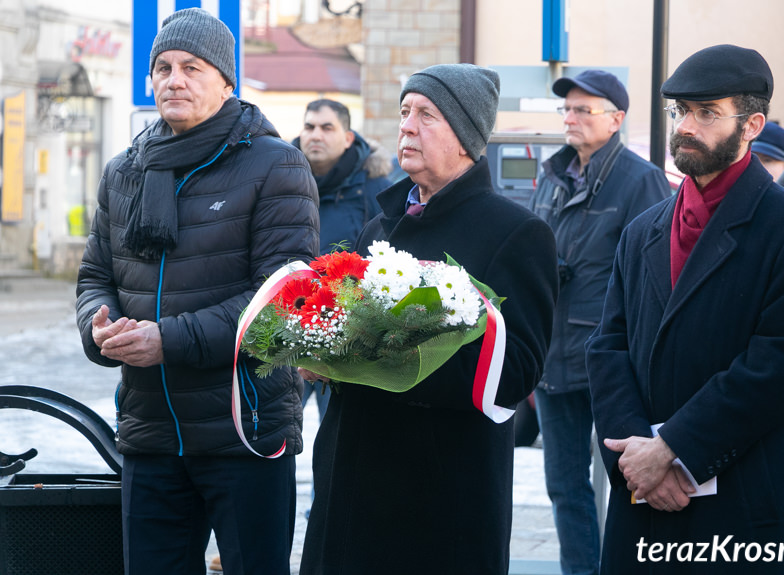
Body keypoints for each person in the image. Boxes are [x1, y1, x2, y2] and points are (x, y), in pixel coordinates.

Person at [74, 8, 318, 575]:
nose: (174, 79)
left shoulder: (276, 166)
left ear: (227, 82)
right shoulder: (124, 171)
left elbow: (282, 299)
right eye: (162, 67)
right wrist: (98, 323)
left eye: (192, 67)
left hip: (242, 431)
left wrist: (170, 340)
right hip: (150, 430)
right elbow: (94, 276)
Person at [586, 44, 784, 574]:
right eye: (680, 111)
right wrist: (638, 464)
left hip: (740, 509)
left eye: (706, 113)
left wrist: (675, 449)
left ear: (752, 125)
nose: (685, 126)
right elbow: (607, 347)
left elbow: (779, 368)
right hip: (643, 508)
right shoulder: (643, 231)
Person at [299, 63, 559, 575]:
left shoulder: (517, 233)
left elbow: (517, 372)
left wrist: (382, 356)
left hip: (438, 492)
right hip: (351, 479)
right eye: (404, 112)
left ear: (465, 137)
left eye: (427, 115)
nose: (407, 126)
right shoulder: (381, 223)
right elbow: (349, 331)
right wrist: (323, 352)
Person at [528, 69, 669, 575]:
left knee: (632, 482)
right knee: (564, 486)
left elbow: (655, 277)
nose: (570, 117)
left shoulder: (641, 179)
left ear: (616, 119)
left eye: (583, 109)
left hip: (611, 360)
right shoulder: (550, 174)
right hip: (553, 356)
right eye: (566, 109)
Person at [293, 98, 390, 427]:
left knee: (336, 438)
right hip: (286, 330)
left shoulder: (375, 190)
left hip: (348, 341)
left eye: (326, 127)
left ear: (348, 137)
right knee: (272, 434)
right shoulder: (283, 180)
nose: (315, 135)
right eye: (309, 127)